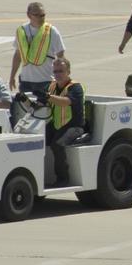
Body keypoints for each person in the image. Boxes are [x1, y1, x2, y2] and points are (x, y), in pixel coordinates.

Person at [43, 57, 85, 187]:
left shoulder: (75, 88)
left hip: (74, 127)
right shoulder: (52, 86)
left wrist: (48, 97)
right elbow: (42, 102)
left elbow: (65, 102)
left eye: (61, 71)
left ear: (68, 71)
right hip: (56, 125)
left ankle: (63, 179)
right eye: (55, 71)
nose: (58, 74)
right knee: (36, 140)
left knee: (57, 145)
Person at [9, 2, 65, 98]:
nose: (40, 18)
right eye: (37, 15)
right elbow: (18, 55)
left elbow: (61, 55)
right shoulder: (22, 31)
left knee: (44, 111)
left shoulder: (52, 31)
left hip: (46, 81)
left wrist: (62, 77)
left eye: (43, 15)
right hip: (26, 81)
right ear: (29, 15)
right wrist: (12, 76)